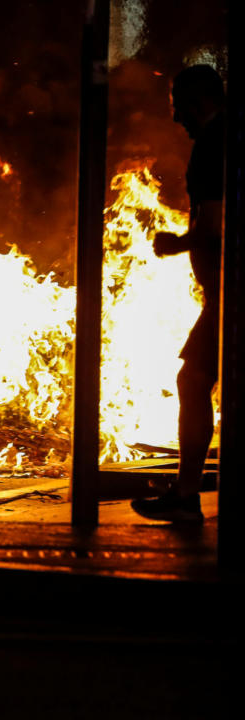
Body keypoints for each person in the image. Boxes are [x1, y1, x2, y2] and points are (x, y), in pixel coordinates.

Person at [132, 64, 225, 523]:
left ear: (200, 102)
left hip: (230, 294)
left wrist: (176, 244)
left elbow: (216, 224)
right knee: (195, 380)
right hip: (222, 293)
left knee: (193, 381)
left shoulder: (213, 145)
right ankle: (186, 495)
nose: (175, 118)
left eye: (178, 106)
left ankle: (187, 497)